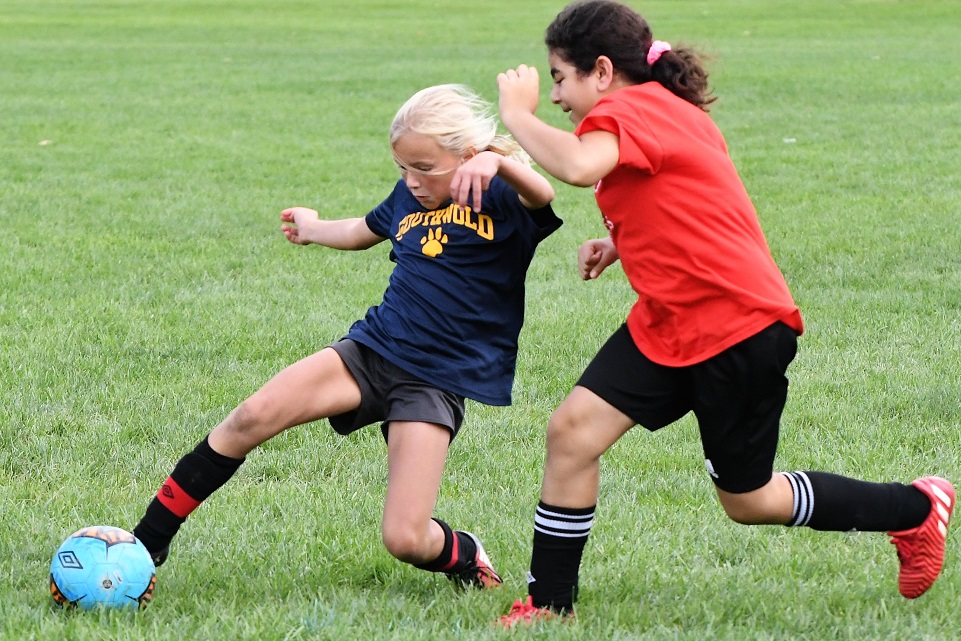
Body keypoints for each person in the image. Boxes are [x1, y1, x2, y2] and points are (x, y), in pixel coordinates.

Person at [490, 0, 954, 625]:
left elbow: (575, 166)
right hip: (670, 322)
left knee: (748, 500)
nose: (554, 96)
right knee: (572, 433)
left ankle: (915, 509)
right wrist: (623, 242)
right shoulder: (662, 110)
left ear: (602, 71)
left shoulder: (633, 108)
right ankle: (549, 607)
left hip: (735, 327)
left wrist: (513, 115)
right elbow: (691, 200)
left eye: (559, 77)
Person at [131, 84, 561, 590]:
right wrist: (313, 228)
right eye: (402, 167)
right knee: (251, 416)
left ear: (466, 156)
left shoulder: (501, 197)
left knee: (405, 538)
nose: (412, 181)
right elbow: (364, 228)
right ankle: (143, 545)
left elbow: (544, 195)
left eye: (424, 168)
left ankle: (464, 554)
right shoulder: (408, 194)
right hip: (372, 349)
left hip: (436, 381)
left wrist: (498, 164)